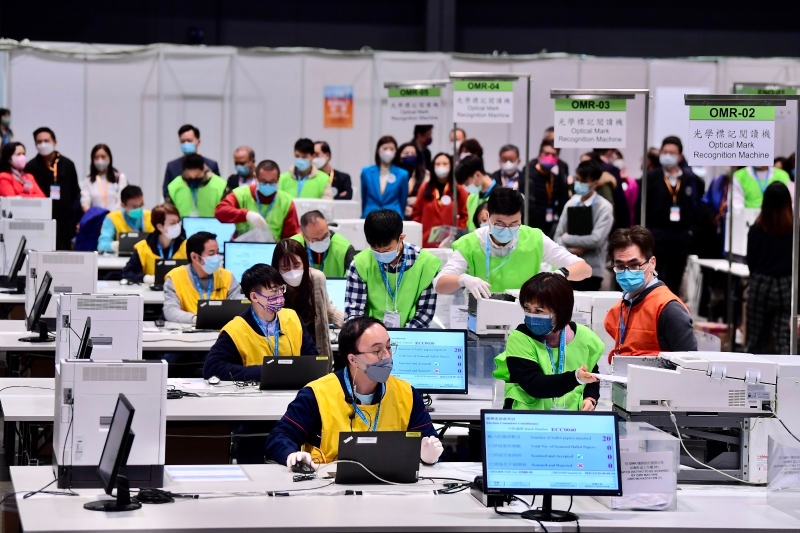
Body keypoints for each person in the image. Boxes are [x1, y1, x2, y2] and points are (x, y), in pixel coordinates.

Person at [265, 316, 442, 468]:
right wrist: (291, 454)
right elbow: (279, 436)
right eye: (377, 350)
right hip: (330, 486)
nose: (387, 356)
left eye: (389, 347)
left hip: (390, 484)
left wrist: (429, 456)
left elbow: (429, 441)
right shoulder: (317, 395)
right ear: (353, 359)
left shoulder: (406, 393)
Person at [435, 187, 591, 298]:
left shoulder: (534, 238)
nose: (507, 229)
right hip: (482, 316)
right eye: (500, 224)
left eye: (514, 223)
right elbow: (439, 285)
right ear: (488, 217)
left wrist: (559, 275)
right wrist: (463, 280)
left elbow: (584, 269)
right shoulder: (470, 243)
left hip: (525, 315)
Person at [493, 273, 602, 411]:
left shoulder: (585, 337)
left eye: (538, 310)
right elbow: (535, 385)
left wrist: (590, 398)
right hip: (526, 418)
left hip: (571, 418)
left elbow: (592, 375)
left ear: (560, 310)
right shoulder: (520, 338)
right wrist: (575, 378)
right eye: (527, 308)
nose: (531, 315)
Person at [203, 264, 318, 382]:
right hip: (254, 389)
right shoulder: (235, 330)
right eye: (274, 290)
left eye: (281, 288)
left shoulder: (293, 318)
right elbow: (212, 367)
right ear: (254, 297)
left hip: (293, 388)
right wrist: (265, 372)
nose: (280, 294)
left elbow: (312, 358)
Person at [604, 226, 697, 364]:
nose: (627, 272)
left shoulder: (669, 309)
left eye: (635, 265)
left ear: (652, 263)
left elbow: (691, 366)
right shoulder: (620, 308)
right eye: (620, 266)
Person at [345, 209, 440, 328]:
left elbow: (425, 313)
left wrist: (403, 336)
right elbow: (354, 312)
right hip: (370, 333)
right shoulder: (360, 264)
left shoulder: (426, 264)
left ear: (401, 238)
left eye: (387, 250)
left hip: (412, 334)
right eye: (375, 249)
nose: (381, 254)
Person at [638, 137, 697, 295]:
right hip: (656, 234)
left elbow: (695, 207)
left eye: (672, 153)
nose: (667, 155)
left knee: (675, 277)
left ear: (679, 156)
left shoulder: (690, 179)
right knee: (654, 276)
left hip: (680, 236)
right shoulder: (650, 177)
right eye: (664, 152)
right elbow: (640, 206)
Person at [272, 239, 344, 359]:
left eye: (296, 265)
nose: (292, 272)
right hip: (287, 349)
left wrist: (352, 323)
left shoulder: (316, 278)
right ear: (277, 268)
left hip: (316, 346)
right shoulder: (273, 286)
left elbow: (326, 308)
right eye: (285, 268)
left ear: (304, 262)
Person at [745, 182, 793, 354]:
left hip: (760, 284)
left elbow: (751, 261)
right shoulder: (794, 232)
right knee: (783, 340)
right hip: (786, 286)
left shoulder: (756, 230)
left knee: (755, 339)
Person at [554, 160, 615, 292]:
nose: (579, 183)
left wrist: (567, 238)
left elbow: (596, 239)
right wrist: (571, 250)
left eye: (584, 181)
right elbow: (557, 236)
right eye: (577, 179)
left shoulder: (604, 207)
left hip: (592, 271)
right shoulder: (571, 203)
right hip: (568, 267)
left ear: (595, 183)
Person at [163, 231, 243, 324]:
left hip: (222, 329)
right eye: (211, 254)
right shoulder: (175, 277)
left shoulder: (227, 276)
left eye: (217, 252)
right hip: (188, 328)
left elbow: (238, 308)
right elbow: (170, 311)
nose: (217, 257)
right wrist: (196, 319)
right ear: (194, 257)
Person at [214, 159, 300, 241]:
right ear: (255, 178)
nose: (268, 185)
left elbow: (292, 236)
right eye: (263, 181)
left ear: (278, 179)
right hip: (242, 247)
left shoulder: (286, 201)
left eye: (272, 182)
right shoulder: (241, 194)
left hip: (273, 248)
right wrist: (246, 215)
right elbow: (220, 211)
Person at [25, 127, 80, 250]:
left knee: (63, 253)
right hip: (41, 219)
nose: (43, 144)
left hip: (65, 220)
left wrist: (75, 218)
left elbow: (75, 193)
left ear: (55, 142)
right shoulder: (31, 167)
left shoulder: (68, 164)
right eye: (39, 142)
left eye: (46, 140)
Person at [411, 153, 468, 246]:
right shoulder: (424, 188)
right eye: (437, 164)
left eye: (445, 164)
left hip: (451, 241)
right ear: (433, 166)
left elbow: (464, 215)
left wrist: (458, 233)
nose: (441, 167)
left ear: (451, 166)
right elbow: (416, 213)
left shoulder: (459, 190)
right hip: (426, 240)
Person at [122, 203, 187, 284]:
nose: (177, 226)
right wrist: (146, 278)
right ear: (160, 227)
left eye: (178, 222)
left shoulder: (187, 246)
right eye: (172, 223)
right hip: (151, 290)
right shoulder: (142, 248)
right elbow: (127, 273)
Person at [291, 210, 356, 279]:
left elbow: (355, 277)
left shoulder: (344, 248)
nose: (321, 241)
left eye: (325, 236)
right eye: (315, 239)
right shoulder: (291, 246)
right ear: (303, 235)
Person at [162, 124, 220, 199]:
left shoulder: (211, 165)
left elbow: (218, 189)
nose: (186, 144)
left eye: (189, 141)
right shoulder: (172, 166)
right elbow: (166, 192)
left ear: (198, 141)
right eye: (183, 141)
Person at [360, 136, 409, 218]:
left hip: (394, 216)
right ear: (378, 150)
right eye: (385, 148)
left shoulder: (403, 174)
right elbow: (364, 197)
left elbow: (403, 199)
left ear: (396, 152)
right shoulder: (366, 172)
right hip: (370, 215)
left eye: (392, 149)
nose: (388, 152)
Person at [528, 140, 569, 237]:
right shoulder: (528, 175)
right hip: (531, 224)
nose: (550, 157)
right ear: (539, 155)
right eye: (547, 154)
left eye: (553, 155)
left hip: (550, 224)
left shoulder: (555, 177)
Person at [166, 153, 227, 218]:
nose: (193, 178)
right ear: (184, 171)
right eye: (189, 177)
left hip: (214, 224)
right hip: (181, 224)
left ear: (204, 169)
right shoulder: (173, 187)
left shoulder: (220, 186)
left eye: (197, 176)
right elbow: (168, 213)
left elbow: (227, 213)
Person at [97, 185, 154, 253]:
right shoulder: (112, 218)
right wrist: (121, 245)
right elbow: (102, 245)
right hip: (121, 257)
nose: (139, 209)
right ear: (123, 205)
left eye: (141, 205)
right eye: (134, 207)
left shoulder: (151, 216)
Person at [80, 144, 128, 211]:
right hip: (96, 216)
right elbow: (85, 202)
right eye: (96, 157)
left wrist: (110, 215)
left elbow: (122, 201)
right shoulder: (88, 180)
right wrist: (94, 215)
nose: (100, 161)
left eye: (103, 157)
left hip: (115, 216)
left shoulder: (119, 178)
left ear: (109, 158)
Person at [593, 148, 631, 231]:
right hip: (610, 219)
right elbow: (619, 198)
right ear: (609, 152)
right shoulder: (611, 170)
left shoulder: (594, 166)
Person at [459, 155, 497, 231]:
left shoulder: (502, 197)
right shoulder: (471, 198)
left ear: (477, 175)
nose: (466, 188)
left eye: (467, 183)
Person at [398, 142, 429, 219]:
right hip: (397, 212)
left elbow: (427, 195)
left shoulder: (425, 174)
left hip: (418, 214)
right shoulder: (394, 174)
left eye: (413, 154)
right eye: (406, 153)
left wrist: (416, 201)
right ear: (399, 157)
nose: (410, 156)